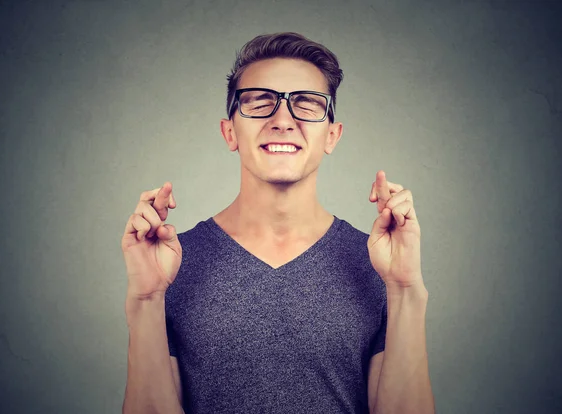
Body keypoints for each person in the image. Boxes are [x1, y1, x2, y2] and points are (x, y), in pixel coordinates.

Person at [121, 32, 435, 414]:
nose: (283, 120)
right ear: (230, 132)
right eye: (260, 102)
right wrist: (146, 300)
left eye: (306, 104)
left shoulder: (380, 264)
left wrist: (404, 290)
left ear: (331, 136)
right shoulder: (168, 265)